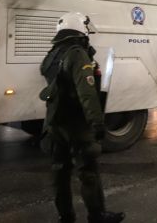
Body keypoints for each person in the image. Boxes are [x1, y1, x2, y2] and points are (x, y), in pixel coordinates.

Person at [40, 12, 124, 223]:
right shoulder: (77, 54)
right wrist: (97, 123)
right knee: (88, 171)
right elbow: (87, 93)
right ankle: (97, 215)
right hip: (76, 123)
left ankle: (65, 216)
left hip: (55, 121)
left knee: (60, 171)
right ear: (80, 30)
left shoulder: (53, 53)